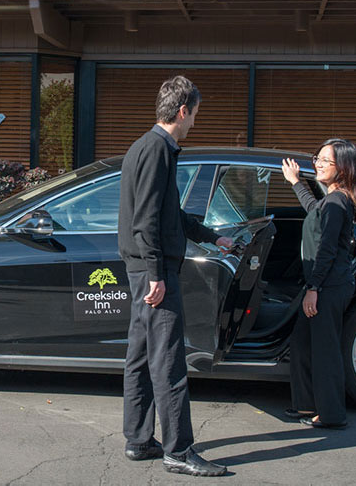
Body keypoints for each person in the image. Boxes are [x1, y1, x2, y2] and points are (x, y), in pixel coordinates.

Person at [118, 75, 235, 477]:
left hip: (143, 268)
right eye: (195, 115)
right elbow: (145, 220)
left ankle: (138, 440)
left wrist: (210, 236)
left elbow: (169, 215)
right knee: (168, 361)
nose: (194, 122)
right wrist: (155, 273)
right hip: (153, 269)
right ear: (182, 111)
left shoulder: (148, 147)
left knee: (140, 356)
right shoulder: (157, 150)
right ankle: (179, 451)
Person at [280, 138, 356, 430]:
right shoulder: (332, 201)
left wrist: (313, 289)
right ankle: (306, 403)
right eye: (318, 157)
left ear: (343, 168)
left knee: (325, 351)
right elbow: (314, 211)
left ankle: (331, 415)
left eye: (326, 160)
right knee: (302, 342)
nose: (318, 163)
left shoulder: (338, 202)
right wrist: (296, 182)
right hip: (325, 284)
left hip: (328, 287)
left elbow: (326, 249)